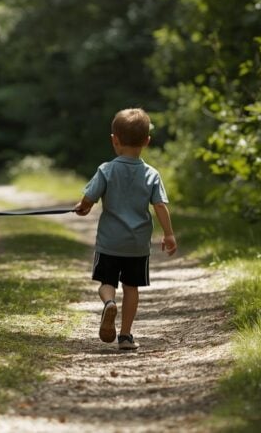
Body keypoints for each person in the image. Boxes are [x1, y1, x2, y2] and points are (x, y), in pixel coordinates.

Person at [73, 108, 177, 350]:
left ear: (114, 140)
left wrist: (83, 207)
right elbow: (160, 205)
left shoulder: (107, 169)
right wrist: (169, 234)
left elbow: (89, 197)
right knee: (132, 288)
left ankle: (109, 303)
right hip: (137, 244)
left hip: (110, 242)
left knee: (106, 282)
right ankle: (126, 336)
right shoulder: (152, 174)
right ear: (147, 142)